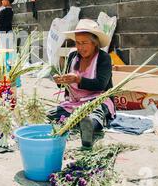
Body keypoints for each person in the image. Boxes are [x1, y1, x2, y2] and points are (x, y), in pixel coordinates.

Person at [49, 19, 115, 148]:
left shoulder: (103, 58)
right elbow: (65, 85)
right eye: (78, 43)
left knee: (95, 113)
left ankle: (89, 126)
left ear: (94, 43)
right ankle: (80, 122)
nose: (80, 47)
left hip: (97, 100)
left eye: (84, 43)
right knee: (51, 114)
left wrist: (78, 79)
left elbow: (101, 84)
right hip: (74, 103)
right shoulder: (73, 56)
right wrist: (60, 80)